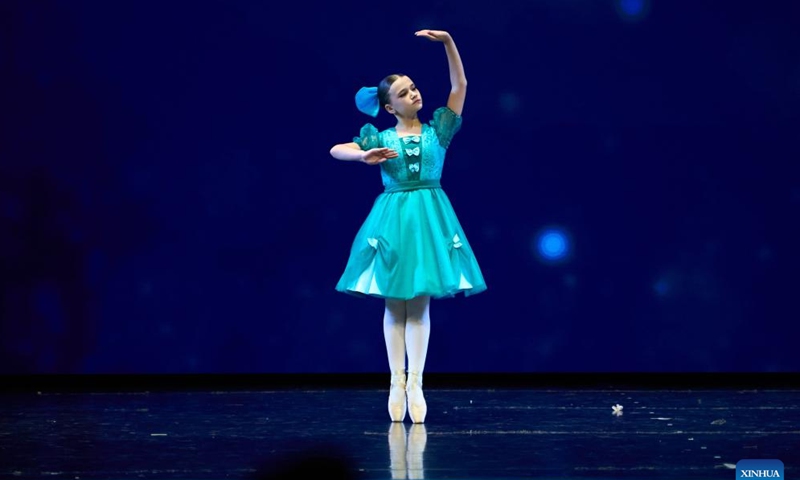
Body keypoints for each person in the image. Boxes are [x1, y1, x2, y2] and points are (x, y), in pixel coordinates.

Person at [329, 29, 486, 424]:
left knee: (419, 304)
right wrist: (363, 156)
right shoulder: (379, 137)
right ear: (389, 106)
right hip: (392, 220)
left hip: (430, 218)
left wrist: (449, 42)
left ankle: (416, 381)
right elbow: (337, 149)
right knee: (393, 304)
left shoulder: (439, 131)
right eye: (404, 92)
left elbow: (460, 84)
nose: (414, 94)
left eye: (414, 87)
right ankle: (395, 380)